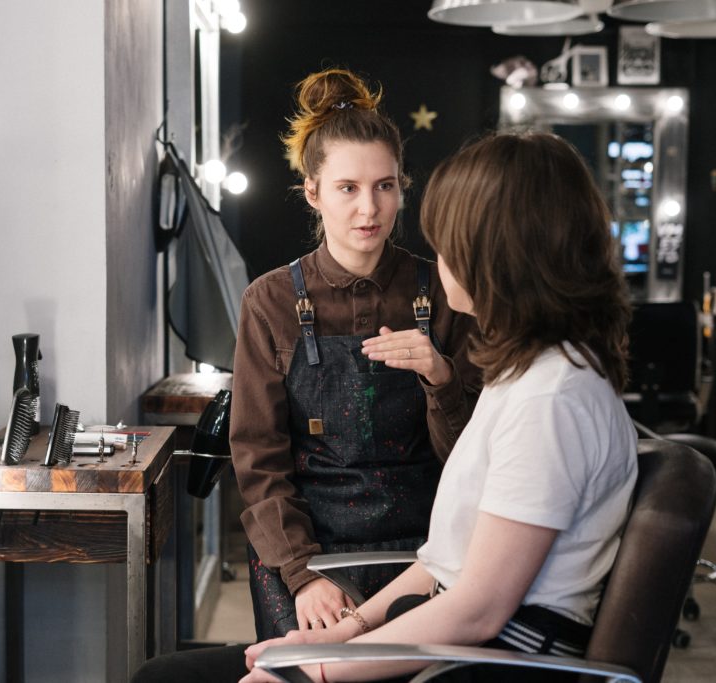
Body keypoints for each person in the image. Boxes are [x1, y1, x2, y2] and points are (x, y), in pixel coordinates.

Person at [132, 131, 637, 683]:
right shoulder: (526, 376)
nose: (436, 262)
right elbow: (446, 561)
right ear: (314, 193)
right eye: (348, 187)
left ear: (495, 257)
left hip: (483, 658)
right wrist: (346, 632)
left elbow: (478, 609)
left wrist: (313, 672)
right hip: (438, 621)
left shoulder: (551, 399)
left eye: (448, 245)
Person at [230, 68, 482, 640]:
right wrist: (300, 571)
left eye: (385, 186)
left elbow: (475, 456)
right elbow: (257, 456)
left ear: (402, 187)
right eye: (348, 188)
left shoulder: (446, 291)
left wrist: (441, 377)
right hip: (306, 550)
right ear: (312, 192)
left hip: (429, 549)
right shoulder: (268, 301)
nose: (369, 208)